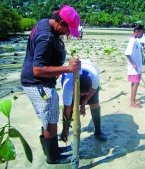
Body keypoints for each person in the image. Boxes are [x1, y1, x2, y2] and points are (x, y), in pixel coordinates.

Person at [20, 5, 81, 164]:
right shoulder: (46, 38)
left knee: (50, 116)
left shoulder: (45, 23)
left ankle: (53, 150)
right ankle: (53, 157)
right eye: (68, 30)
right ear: (61, 22)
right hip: (38, 84)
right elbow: (38, 69)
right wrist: (68, 68)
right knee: (49, 118)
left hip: (42, 82)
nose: (68, 34)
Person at [61, 59, 107, 142]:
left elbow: (94, 89)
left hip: (89, 73)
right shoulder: (68, 85)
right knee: (70, 107)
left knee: (94, 104)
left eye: (85, 94)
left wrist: (84, 102)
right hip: (69, 77)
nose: (82, 96)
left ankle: (98, 131)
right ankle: (66, 130)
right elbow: (66, 108)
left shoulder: (95, 77)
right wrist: (64, 129)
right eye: (81, 94)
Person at [125, 24, 145, 108]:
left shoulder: (135, 40)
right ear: (137, 31)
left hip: (137, 66)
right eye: (142, 33)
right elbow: (127, 54)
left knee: (135, 82)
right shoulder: (132, 40)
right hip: (134, 67)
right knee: (136, 83)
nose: (142, 35)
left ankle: (133, 98)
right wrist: (133, 64)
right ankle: (132, 102)